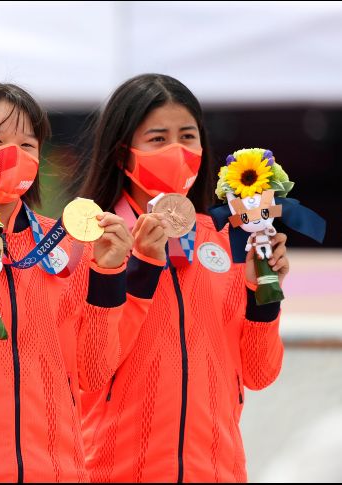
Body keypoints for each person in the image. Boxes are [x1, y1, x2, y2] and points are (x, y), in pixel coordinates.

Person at [0, 81, 159, 482]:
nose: (13, 155)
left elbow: (93, 373)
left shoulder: (67, 247)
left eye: (27, 145)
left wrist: (108, 274)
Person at [69, 73, 289, 482]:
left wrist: (267, 293)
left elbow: (259, 373)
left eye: (187, 136)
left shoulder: (227, 243)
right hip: (110, 472)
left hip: (216, 471)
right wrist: (138, 268)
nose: (177, 151)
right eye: (158, 139)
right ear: (123, 155)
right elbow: (90, 369)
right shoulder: (88, 246)